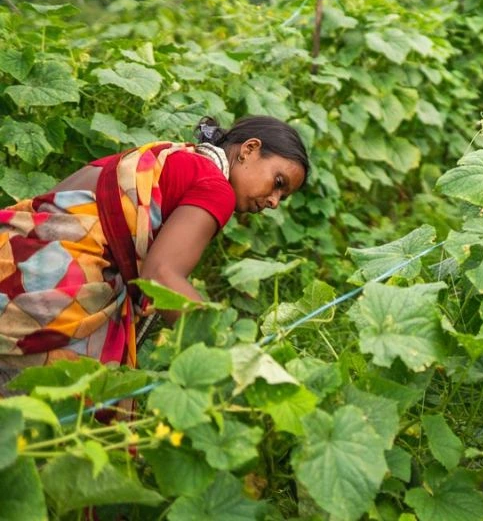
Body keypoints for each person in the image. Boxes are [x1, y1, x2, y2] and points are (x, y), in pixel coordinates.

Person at [0, 115, 309, 393]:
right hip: (41, 302)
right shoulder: (216, 189)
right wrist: (230, 352)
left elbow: (54, 206)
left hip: (11, 259)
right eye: (277, 183)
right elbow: (161, 275)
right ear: (249, 149)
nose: (274, 202)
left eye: (283, 196)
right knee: (44, 431)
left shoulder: (169, 156)